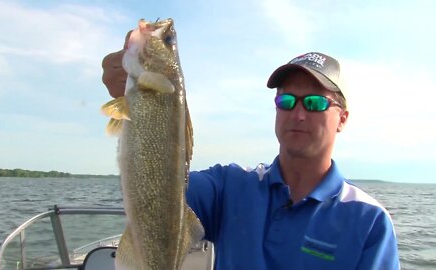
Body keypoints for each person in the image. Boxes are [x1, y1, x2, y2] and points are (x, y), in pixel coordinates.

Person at [102, 36, 400, 269]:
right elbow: (159, 189)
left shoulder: (369, 221)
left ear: (343, 119)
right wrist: (134, 82)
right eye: (286, 101)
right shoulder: (230, 187)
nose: (298, 113)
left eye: (315, 103)